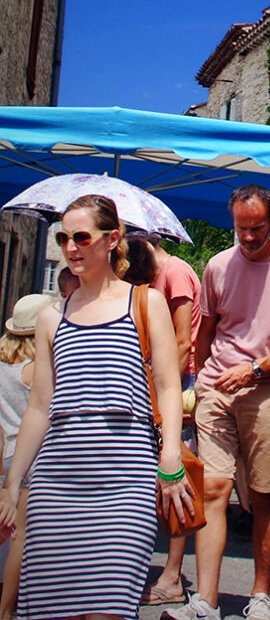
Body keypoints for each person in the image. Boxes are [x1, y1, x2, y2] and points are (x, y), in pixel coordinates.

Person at [0, 194, 190, 617]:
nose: (70, 247)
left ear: (111, 240)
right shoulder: (53, 316)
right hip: (57, 482)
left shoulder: (144, 302)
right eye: (63, 237)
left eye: (81, 237)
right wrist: (13, 482)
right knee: (56, 609)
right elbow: (39, 406)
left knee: (108, 605)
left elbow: (167, 384)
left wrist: (171, 456)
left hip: (126, 479)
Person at [167, 185, 270, 620]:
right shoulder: (217, 265)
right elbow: (207, 330)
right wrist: (197, 381)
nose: (249, 237)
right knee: (213, 489)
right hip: (217, 390)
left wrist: (255, 370)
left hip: (268, 390)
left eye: (256, 228)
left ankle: (259, 595)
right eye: (241, 229)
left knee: (263, 495)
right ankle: (207, 600)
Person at [134, 235, 203, 606]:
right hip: (161, 384)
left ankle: (173, 575)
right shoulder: (151, 277)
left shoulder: (175, 273)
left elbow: (182, 343)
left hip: (180, 382)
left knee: (178, 476)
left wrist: (164, 396)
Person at [0, 293, 58, 620]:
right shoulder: (37, 369)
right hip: (30, 462)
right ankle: (7, 610)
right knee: (19, 541)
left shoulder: (3, 366)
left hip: (5, 455)